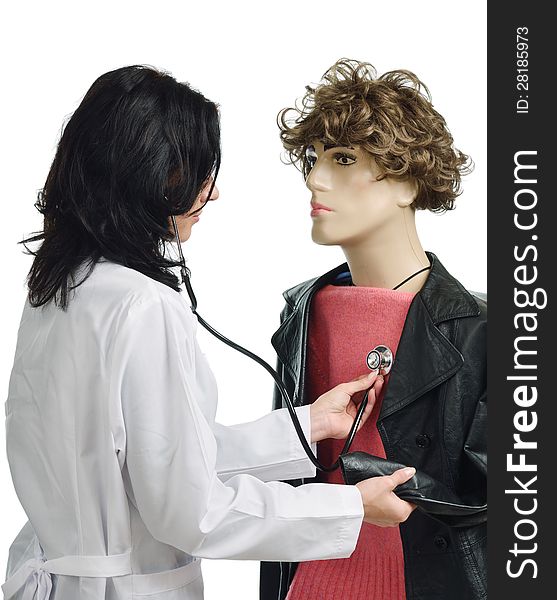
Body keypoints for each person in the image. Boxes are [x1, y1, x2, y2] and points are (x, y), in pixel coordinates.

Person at [2, 65, 418, 600]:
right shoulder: (141, 304)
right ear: (157, 174)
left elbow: (151, 456)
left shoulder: (59, 288)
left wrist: (306, 425)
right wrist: (351, 507)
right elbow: (191, 511)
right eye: (200, 172)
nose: (212, 193)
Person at [260, 59, 487, 600]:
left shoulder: (484, 329)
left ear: (407, 182)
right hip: (309, 584)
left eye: (343, 160)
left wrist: (369, 475)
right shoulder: (302, 312)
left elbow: (505, 498)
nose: (316, 178)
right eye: (313, 159)